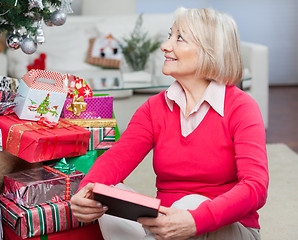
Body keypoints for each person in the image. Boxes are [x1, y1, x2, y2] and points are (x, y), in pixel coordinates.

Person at [71, 6, 268, 240]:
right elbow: (117, 159)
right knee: (105, 194)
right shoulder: (154, 108)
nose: (165, 46)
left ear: (210, 51)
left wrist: (196, 220)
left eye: (180, 38)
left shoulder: (241, 107)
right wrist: (87, 189)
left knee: (192, 203)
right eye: (169, 35)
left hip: (228, 228)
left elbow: (255, 187)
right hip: (163, 228)